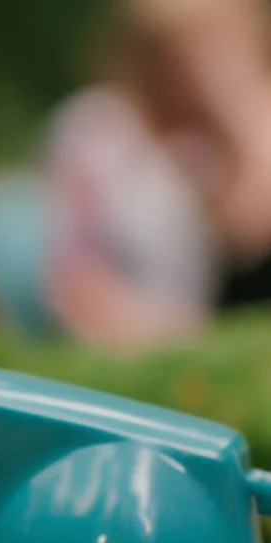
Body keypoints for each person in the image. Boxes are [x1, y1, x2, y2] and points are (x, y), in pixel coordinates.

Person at [28, 0, 271, 346]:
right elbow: (73, 286)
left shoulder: (225, 146)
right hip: (120, 348)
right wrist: (187, 335)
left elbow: (250, 235)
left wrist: (240, 107)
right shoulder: (97, 132)